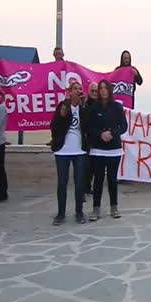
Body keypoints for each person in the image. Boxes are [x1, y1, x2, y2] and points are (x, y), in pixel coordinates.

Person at [50, 82, 90, 225]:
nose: (78, 91)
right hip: (63, 151)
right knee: (62, 182)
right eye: (75, 89)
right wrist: (61, 116)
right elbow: (54, 128)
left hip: (79, 150)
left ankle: (79, 212)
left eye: (80, 89)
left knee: (79, 183)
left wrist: (84, 106)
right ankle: (61, 214)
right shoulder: (63, 106)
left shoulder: (83, 108)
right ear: (69, 92)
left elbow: (88, 127)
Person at [88, 80, 129, 220]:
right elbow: (89, 127)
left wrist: (112, 133)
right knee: (98, 179)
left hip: (114, 149)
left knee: (112, 179)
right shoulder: (94, 108)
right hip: (98, 149)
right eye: (101, 88)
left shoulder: (117, 107)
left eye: (106, 88)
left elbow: (123, 126)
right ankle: (96, 209)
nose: (103, 91)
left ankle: (114, 207)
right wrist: (100, 134)